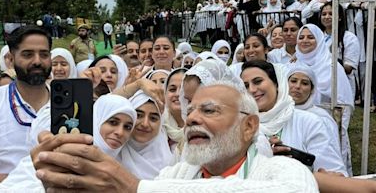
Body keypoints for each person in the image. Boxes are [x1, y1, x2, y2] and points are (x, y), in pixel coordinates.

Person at [31, 84, 318, 192]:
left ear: (249, 126)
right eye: (190, 111)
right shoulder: (176, 173)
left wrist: (134, 187)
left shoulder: (283, 172)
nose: (191, 118)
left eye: (208, 111)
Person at [0, 94, 137, 191]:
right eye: (112, 122)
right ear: (96, 119)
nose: (119, 132)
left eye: (127, 127)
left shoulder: (125, 166)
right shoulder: (59, 152)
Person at [0, 26, 52, 189]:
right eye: (28, 54)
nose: (37, 61)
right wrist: (23, 185)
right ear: (10, 59)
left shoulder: (69, 106)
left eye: (44, 54)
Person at [241, 60, 347, 175]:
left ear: (277, 83)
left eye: (258, 81)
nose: (251, 89)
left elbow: (334, 173)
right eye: (246, 86)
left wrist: (293, 167)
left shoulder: (309, 122)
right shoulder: (240, 127)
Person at [294, 24, 354, 175]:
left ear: (320, 40)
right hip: (297, 125)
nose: (305, 41)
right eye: (301, 37)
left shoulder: (332, 66)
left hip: (328, 124)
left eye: (310, 37)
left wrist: (340, 128)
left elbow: (344, 103)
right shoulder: (294, 65)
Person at [287, 63, 341, 158]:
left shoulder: (321, 118)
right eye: (293, 81)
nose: (298, 86)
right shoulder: (276, 113)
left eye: (304, 83)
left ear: (312, 89)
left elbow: (327, 156)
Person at [120, 90, 173, 179]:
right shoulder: (112, 153)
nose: (145, 124)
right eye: (139, 115)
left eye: (153, 118)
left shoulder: (171, 165)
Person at [319, 2, 360, 100]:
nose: (327, 17)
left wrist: (328, 59)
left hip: (341, 87)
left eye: (331, 14)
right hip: (321, 87)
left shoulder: (349, 38)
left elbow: (349, 68)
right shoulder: (317, 37)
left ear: (340, 17)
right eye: (324, 14)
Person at [162, 68, 187, 157]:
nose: (177, 94)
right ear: (165, 93)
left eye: (183, 89)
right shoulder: (157, 123)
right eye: (172, 89)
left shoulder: (200, 126)